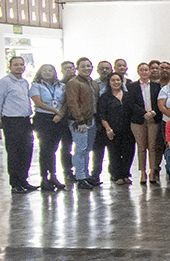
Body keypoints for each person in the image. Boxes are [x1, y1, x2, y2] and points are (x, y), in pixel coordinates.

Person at [0, 56, 37, 194]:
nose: (19, 67)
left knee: (27, 151)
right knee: (14, 153)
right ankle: (15, 184)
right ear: (10, 66)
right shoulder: (4, 82)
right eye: (16, 64)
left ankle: (24, 180)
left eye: (21, 64)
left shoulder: (24, 82)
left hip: (25, 120)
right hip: (11, 121)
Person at [30, 64, 67, 191]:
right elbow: (38, 103)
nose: (47, 72)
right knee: (45, 149)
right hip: (43, 120)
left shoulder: (61, 86)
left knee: (53, 149)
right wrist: (55, 111)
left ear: (54, 72)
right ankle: (44, 178)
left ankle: (53, 176)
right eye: (44, 70)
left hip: (58, 121)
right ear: (40, 72)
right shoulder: (36, 85)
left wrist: (60, 114)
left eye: (50, 70)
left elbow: (65, 102)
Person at [65, 58, 99, 190]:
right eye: (83, 66)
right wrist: (79, 120)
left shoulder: (93, 83)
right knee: (80, 149)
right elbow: (72, 102)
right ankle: (80, 178)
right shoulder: (73, 82)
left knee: (87, 149)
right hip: (79, 122)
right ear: (77, 68)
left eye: (88, 66)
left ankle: (85, 174)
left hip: (91, 120)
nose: (86, 68)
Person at [126, 62, 162, 185]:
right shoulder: (132, 86)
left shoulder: (157, 86)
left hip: (153, 119)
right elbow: (131, 103)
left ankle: (152, 171)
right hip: (138, 120)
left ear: (150, 71)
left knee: (152, 147)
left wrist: (152, 113)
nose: (144, 72)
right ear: (138, 71)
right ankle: (142, 172)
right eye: (141, 70)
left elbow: (160, 102)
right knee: (141, 147)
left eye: (146, 70)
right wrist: (144, 113)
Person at [98, 72, 135, 185]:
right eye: (113, 80)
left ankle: (125, 174)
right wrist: (108, 129)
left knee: (129, 152)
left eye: (118, 80)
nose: (116, 82)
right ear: (109, 83)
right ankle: (117, 175)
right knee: (114, 153)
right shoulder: (105, 97)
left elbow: (134, 109)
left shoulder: (127, 95)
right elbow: (102, 115)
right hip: (112, 130)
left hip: (128, 130)